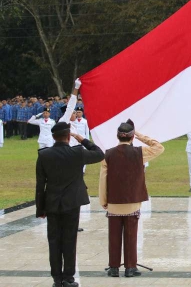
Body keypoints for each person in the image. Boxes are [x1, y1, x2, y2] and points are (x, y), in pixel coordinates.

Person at [36, 122, 104, 287]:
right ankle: (68, 277)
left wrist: (40, 209)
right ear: (68, 136)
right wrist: (82, 139)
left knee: (54, 241)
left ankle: (57, 279)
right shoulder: (77, 152)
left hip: (52, 203)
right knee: (69, 240)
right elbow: (100, 154)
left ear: (53, 137)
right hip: (72, 203)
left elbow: (40, 185)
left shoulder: (44, 155)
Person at [99, 120, 164, 278]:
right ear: (132, 137)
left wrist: (103, 200)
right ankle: (130, 267)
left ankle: (114, 267)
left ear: (117, 136)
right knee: (131, 235)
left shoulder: (107, 154)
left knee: (113, 236)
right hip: (133, 200)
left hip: (114, 201)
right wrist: (140, 135)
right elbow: (159, 147)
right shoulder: (140, 152)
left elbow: (103, 180)